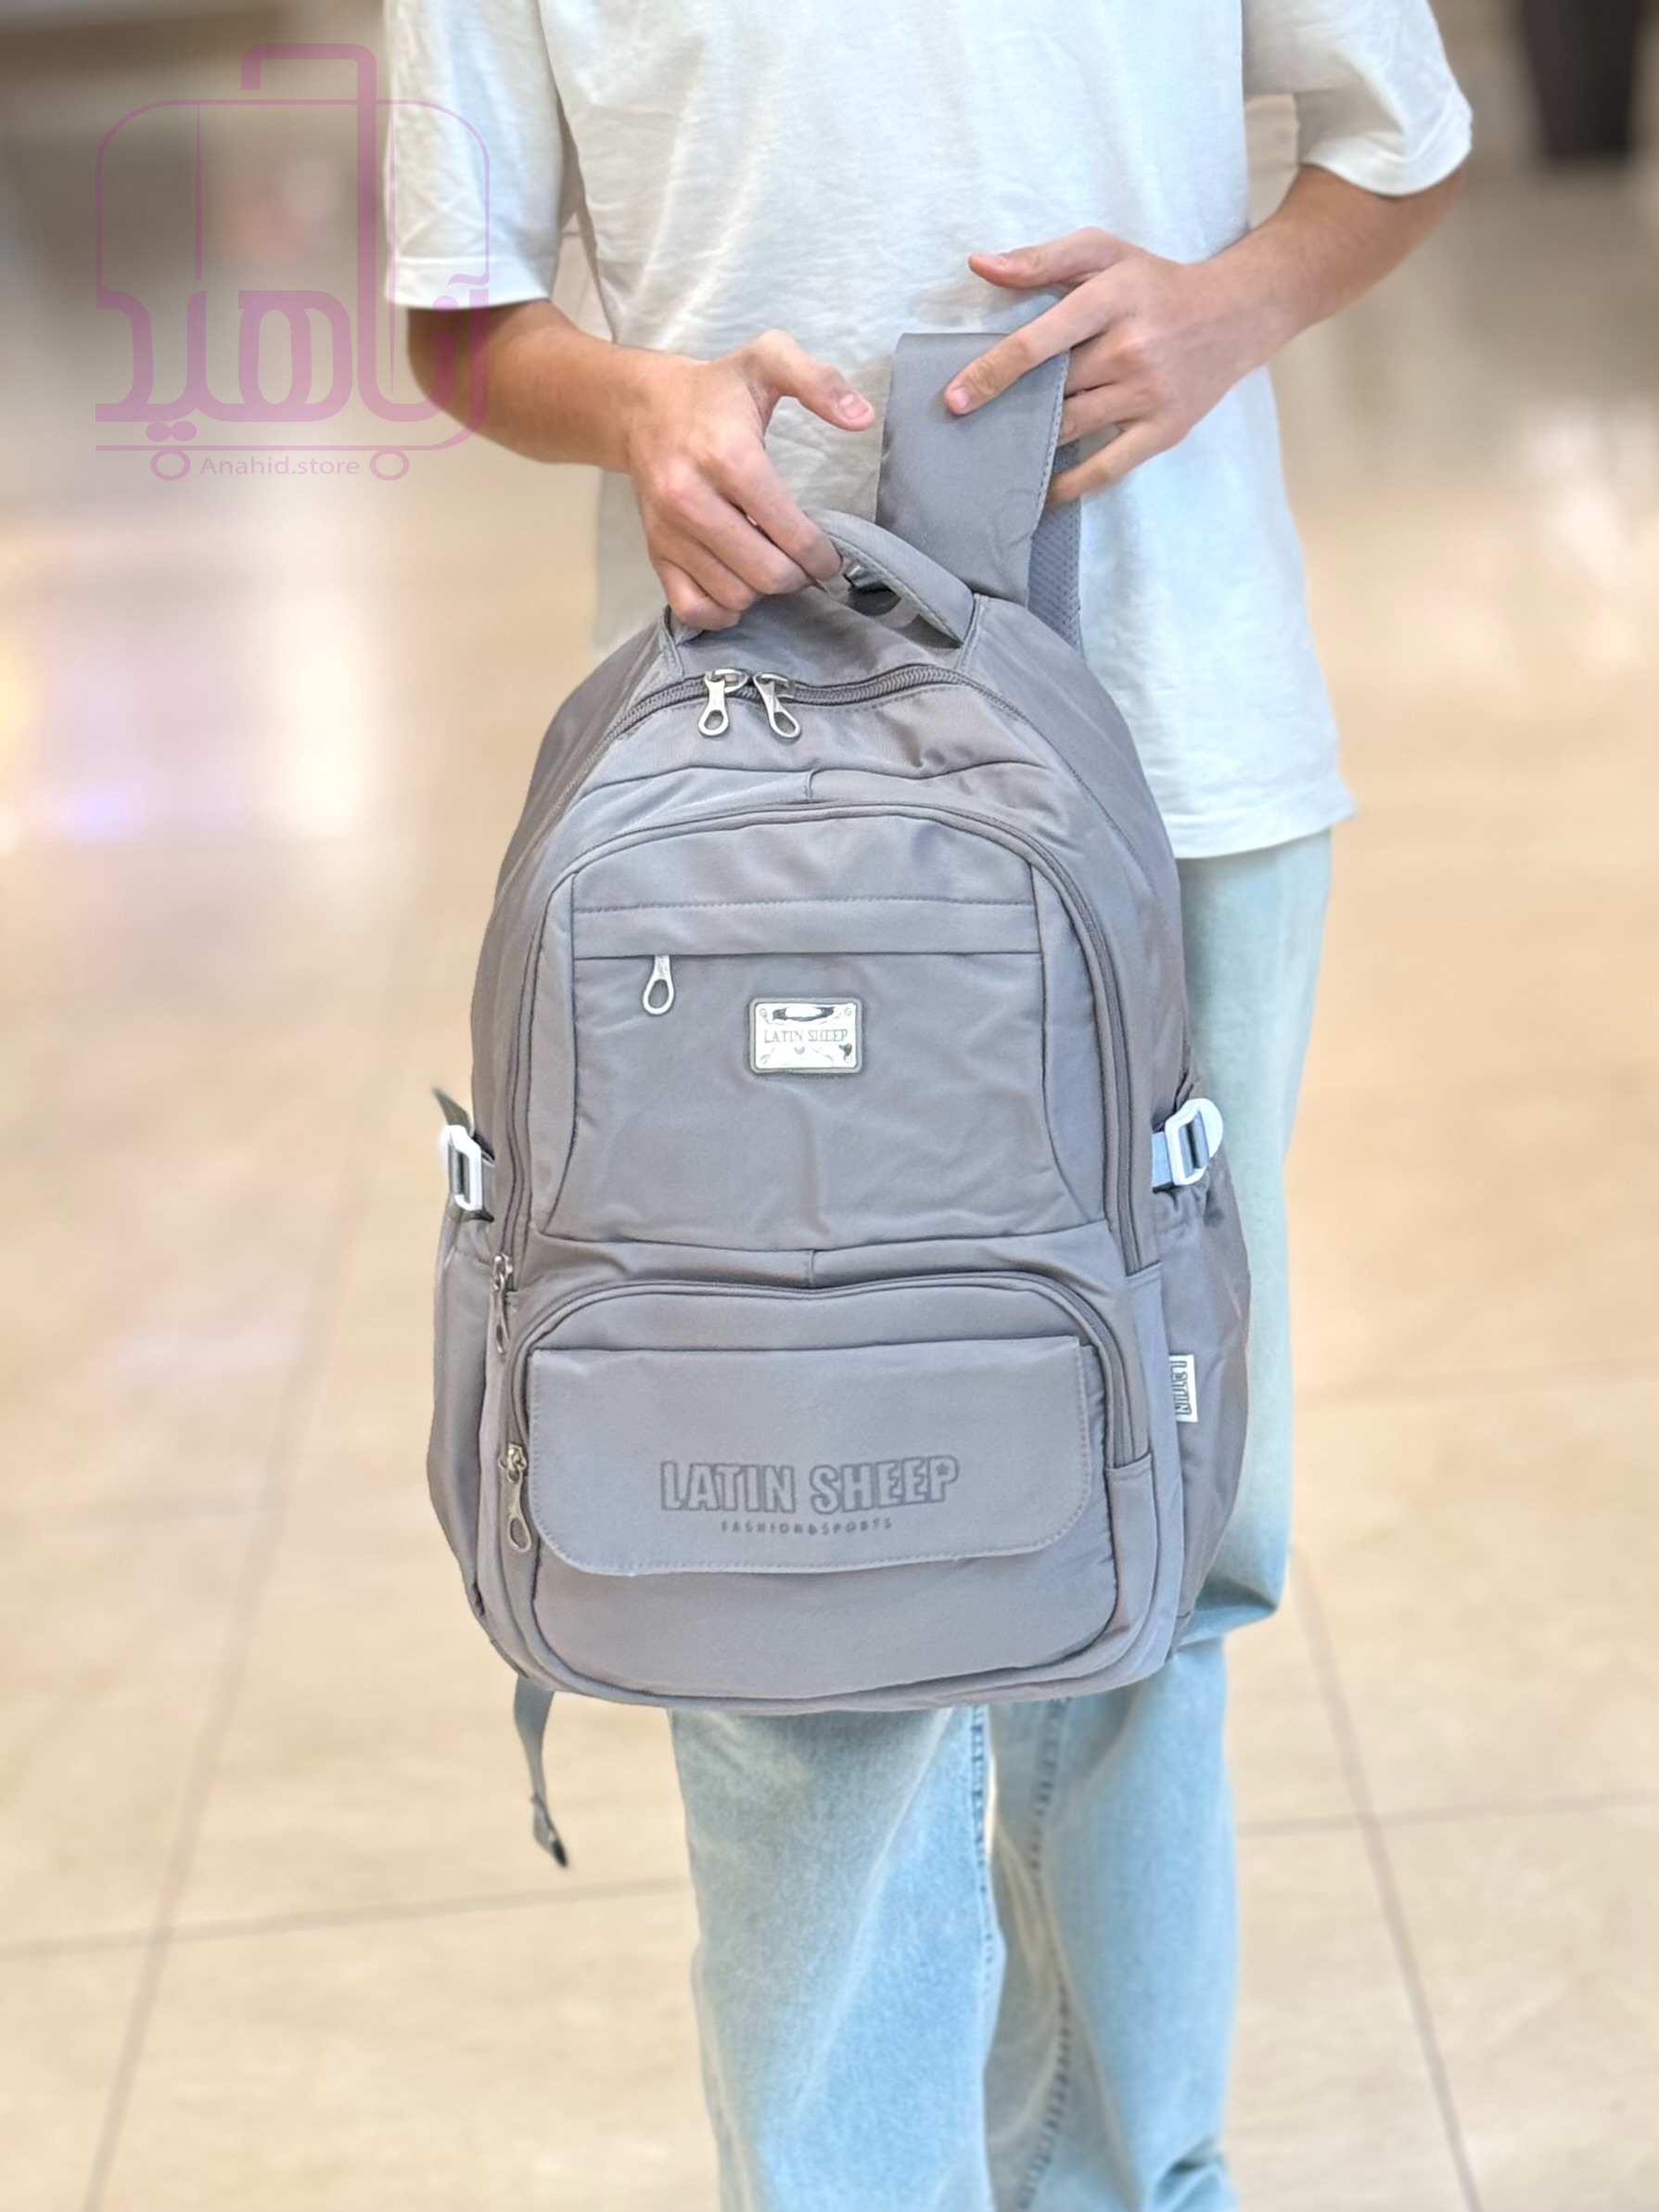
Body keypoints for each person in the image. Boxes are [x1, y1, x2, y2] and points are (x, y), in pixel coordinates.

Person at [386, 7, 1469, 2206]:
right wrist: (640, 405)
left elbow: (1401, 146)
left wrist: (1226, 306)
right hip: (736, 833)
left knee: (1153, 1553)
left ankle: (1121, 2175)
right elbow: (464, 316)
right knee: (791, 1595)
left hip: (1182, 769)